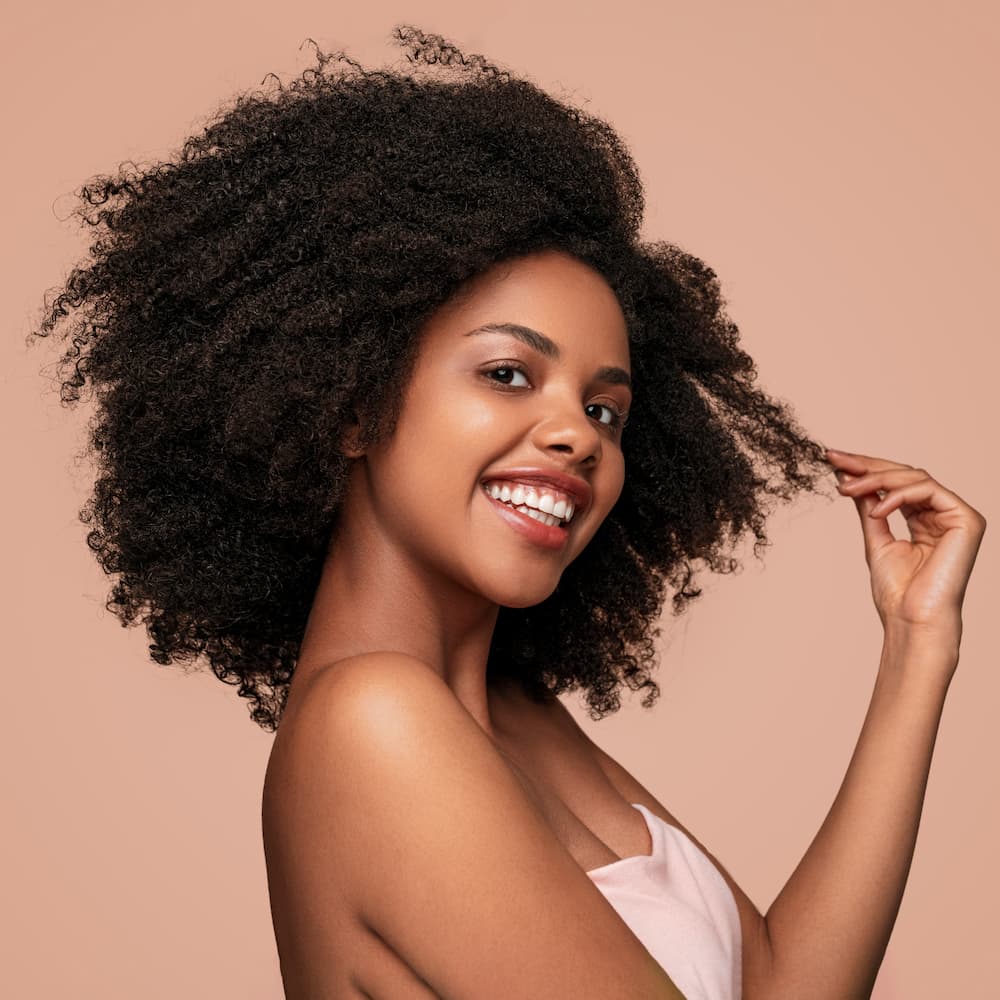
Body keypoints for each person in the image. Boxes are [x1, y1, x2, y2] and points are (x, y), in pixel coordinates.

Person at [27, 24, 986, 1000]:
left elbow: (782, 985)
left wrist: (917, 650)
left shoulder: (516, 719)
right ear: (352, 404)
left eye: (603, 407)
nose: (574, 433)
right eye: (507, 372)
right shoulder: (373, 726)